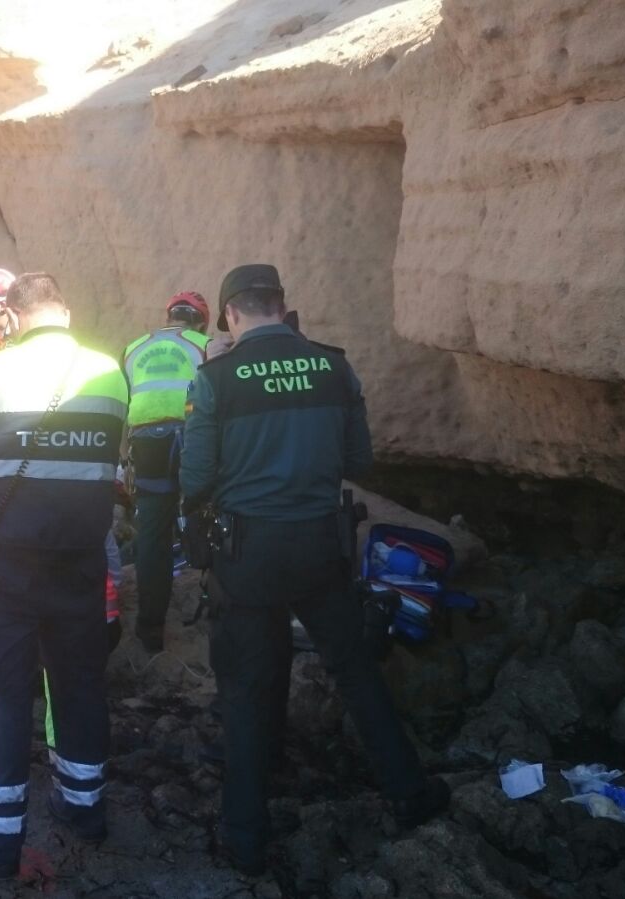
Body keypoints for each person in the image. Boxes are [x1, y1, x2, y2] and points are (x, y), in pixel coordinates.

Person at [180, 264, 449, 876]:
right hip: (322, 547)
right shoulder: (334, 366)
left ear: (230, 315)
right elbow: (359, 459)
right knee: (354, 670)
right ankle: (410, 793)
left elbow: (194, 479)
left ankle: (246, 839)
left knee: (244, 685)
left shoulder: (216, 377)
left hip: (246, 553)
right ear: (281, 305)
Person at [0, 273, 129, 879]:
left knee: (4, 690)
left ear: (12, 316)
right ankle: (83, 806)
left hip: (7, 565)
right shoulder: (110, 373)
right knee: (79, 681)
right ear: (64, 312)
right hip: (81, 561)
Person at [121, 291, 210, 652]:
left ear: (169, 316)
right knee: (210, 518)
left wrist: (123, 458)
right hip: (192, 439)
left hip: (147, 443)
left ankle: (150, 629)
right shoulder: (205, 345)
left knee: (153, 535)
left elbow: (124, 400)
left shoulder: (133, 348)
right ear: (200, 322)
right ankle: (217, 611)